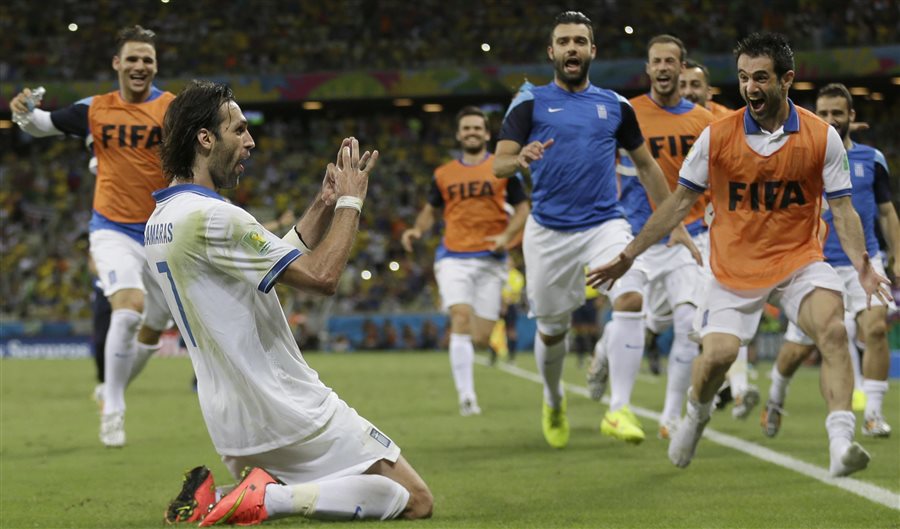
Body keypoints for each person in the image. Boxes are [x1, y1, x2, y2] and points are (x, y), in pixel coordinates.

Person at [587, 32, 891, 477]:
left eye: (761, 77)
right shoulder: (716, 137)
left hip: (798, 261)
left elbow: (843, 210)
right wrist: (629, 254)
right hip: (732, 269)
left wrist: (862, 263)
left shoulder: (820, 137)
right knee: (717, 358)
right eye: (744, 77)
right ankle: (696, 416)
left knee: (832, 330)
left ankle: (840, 442)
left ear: (786, 79)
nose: (750, 87)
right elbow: (677, 202)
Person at [150, 80, 432, 524]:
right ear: (205, 138)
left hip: (229, 418)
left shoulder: (161, 220)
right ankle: (266, 499)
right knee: (414, 499)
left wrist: (323, 203)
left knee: (315, 487)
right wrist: (350, 201)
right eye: (239, 130)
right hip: (284, 405)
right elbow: (321, 278)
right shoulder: (214, 216)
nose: (250, 141)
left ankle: (217, 496)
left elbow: (266, 270)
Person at [492, 11, 697, 449]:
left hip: (604, 224)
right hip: (548, 232)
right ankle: (553, 399)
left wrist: (675, 223)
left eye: (580, 41)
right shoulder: (529, 101)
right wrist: (520, 158)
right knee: (553, 330)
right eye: (564, 41)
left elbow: (647, 167)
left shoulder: (616, 106)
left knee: (631, 296)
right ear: (552, 51)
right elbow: (499, 163)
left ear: (592, 51)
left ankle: (619, 408)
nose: (572, 48)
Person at [10, 25, 175, 447]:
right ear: (117, 63)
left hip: (163, 232)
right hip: (112, 228)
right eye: (132, 58)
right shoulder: (95, 109)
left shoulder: (174, 110)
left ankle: (109, 390)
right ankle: (114, 410)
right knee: (128, 309)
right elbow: (41, 124)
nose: (140, 65)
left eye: (147, 59)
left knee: (153, 331)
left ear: (156, 66)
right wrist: (23, 110)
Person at [587, 34, 713, 443]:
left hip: (686, 235)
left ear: (681, 67)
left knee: (688, 324)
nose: (662, 67)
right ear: (648, 68)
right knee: (634, 313)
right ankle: (607, 360)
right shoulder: (627, 113)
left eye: (669, 61)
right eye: (656, 61)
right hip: (633, 232)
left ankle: (670, 417)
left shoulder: (704, 121)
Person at [762, 82, 899, 439]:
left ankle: (873, 415)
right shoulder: (801, 156)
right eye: (823, 113)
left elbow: (887, 212)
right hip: (815, 265)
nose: (830, 118)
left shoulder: (872, 159)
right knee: (795, 352)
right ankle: (775, 397)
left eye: (837, 112)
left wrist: (897, 255)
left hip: (864, 261)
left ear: (851, 115)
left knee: (876, 329)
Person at [402, 106, 529, 416]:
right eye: (467, 128)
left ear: (487, 134)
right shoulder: (443, 174)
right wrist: (417, 230)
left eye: (477, 128)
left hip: (491, 260)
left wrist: (507, 235)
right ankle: (467, 397)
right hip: (453, 256)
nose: (472, 133)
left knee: (482, 338)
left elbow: (523, 208)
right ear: (459, 135)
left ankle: (467, 368)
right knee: (460, 316)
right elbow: (430, 210)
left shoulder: (503, 169)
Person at [679, 59, 766, 422]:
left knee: (720, 316)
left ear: (708, 90)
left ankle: (734, 389)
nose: (688, 92)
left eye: (695, 85)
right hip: (675, 233)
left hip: (719, 232)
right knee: (681, 323)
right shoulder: (665, 122)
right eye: (683, 86)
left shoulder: (728, 122)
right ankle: (724, 388)